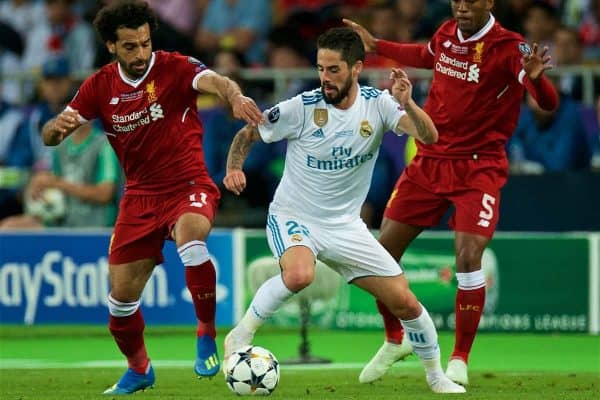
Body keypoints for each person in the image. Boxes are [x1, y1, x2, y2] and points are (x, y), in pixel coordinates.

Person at [222, 27, 465, 394]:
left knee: (405, 301)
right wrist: (234, 168)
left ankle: (436, 376)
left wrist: (409, 103)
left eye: (333, 69)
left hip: (346, 226)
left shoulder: (379, 104)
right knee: (301, 274)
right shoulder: (301, 107)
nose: (324, 78)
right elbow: (248, 133)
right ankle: (240, 336)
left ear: (356, 68)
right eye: (320, 68)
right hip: (294, 216)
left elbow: (429, 137)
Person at [41, 0, 263, 394]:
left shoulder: (174, 67)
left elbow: (217, 81)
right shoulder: (99, 86)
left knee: (192, 240)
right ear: (111, 46)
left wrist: (235, 97)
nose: (141, 53)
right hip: (139, 198)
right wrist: (55, 130)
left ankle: (206, 333)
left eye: (145, 43)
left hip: (188, 185)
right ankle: (139, 369)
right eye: (130, 46)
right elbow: (52, 133)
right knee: (119, 305)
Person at [343, 0, 558, 386]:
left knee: (468, 255)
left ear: (488, 2)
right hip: (430, 160)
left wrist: (538, 79)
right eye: (456, 0)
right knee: (379, 254)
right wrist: (376, 45)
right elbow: (424, 54)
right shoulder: (446, 32)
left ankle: (459, 357)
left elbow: (548, 103)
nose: (461, 6)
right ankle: (396, 340)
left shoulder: (512, 47)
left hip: (478, 167)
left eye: (470, 0)